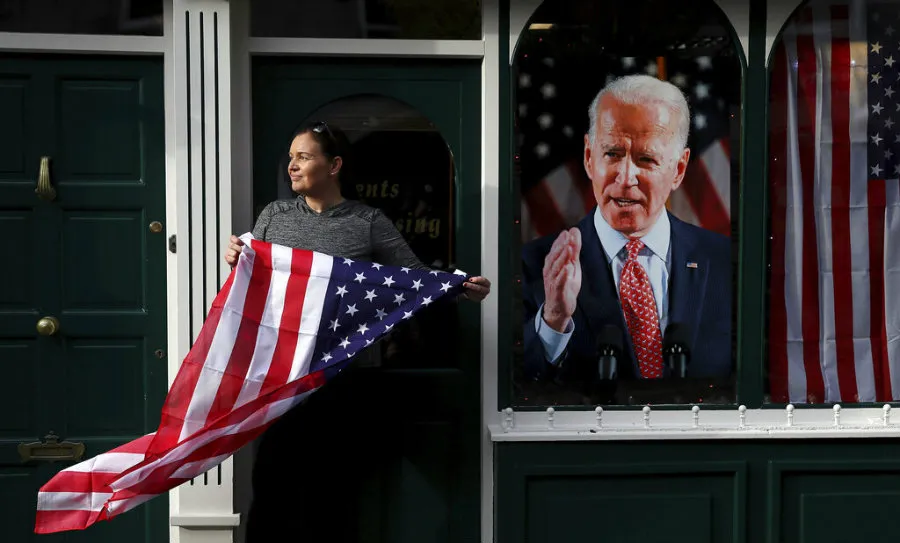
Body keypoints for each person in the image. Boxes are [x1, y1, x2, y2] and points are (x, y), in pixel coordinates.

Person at [229, 121, 490, 542]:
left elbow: (414, 279)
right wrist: (237, 256)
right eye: (291, 157)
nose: (292, 166)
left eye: (303, 156)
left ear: (334, 165)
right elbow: (253, 283)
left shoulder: (367, 221)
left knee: (335, 495)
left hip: (344, 379)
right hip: (282, 379)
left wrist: (461, 290)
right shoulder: (274, 217)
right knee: (274, 486)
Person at [521, 74, 732, 387]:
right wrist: (553, 319)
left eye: (646, 159)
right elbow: (514, 389)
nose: (625, 177)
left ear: (678, 170)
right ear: (589, 157)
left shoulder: (727, 263)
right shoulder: (533, 267)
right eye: (613, 154)